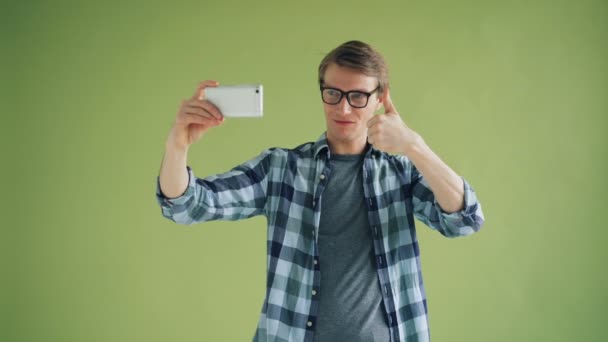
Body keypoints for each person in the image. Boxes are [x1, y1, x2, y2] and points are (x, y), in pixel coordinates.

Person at [156, 40, 484, 342]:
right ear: (322, 92)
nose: (343, 109)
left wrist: (415, 146)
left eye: (358, 96)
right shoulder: (280, 169)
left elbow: (464, 219)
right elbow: (186, 206)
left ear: (380, 99)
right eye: (333, 94)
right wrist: (177, 144)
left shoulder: (401, 173)